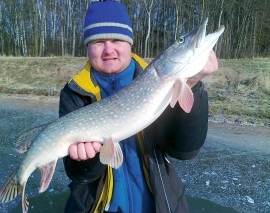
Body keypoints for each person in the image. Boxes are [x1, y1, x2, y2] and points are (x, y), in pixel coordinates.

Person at [59, 0, 218, 212]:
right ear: (87, 47)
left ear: (130, 43)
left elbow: (184, 149)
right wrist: (86, 160)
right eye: (98, 42)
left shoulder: (161, 82)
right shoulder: (74, 92)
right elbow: (79, 174)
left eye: (117, 40)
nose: (108, 50)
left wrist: (192, 84)